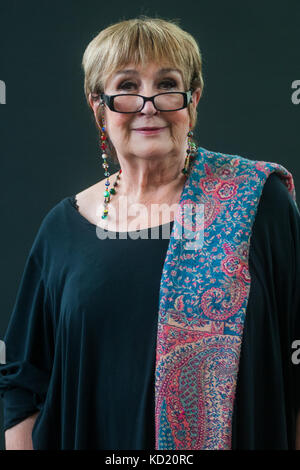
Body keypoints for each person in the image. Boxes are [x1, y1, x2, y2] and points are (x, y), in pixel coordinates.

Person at [0, 16, 300, 450]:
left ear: (192, 100)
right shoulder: (63, 229)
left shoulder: (257, 202)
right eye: (126, 86)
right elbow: (22, 379)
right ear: (98, 106)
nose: (148, 104)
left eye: (166, 85)